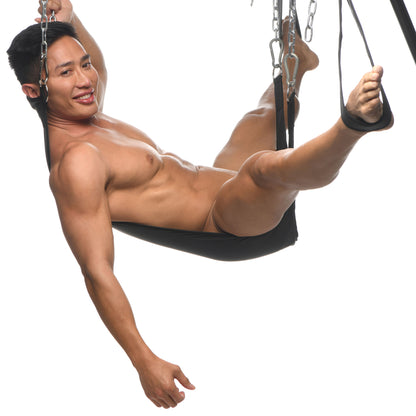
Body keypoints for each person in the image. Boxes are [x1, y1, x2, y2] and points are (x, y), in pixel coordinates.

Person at [7, 0, 392, 410]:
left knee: (263, 115)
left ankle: (298, 58)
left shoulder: (88, 113)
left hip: (221, 180)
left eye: (84, 64)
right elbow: (96, 272)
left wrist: (69, 18)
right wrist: (143, 360)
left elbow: (93, 63)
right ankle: (355, 122)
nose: (86, 79)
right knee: (262, 169)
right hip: (227, 224)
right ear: (33, 91)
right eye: (66, 72)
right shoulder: (76, 165)